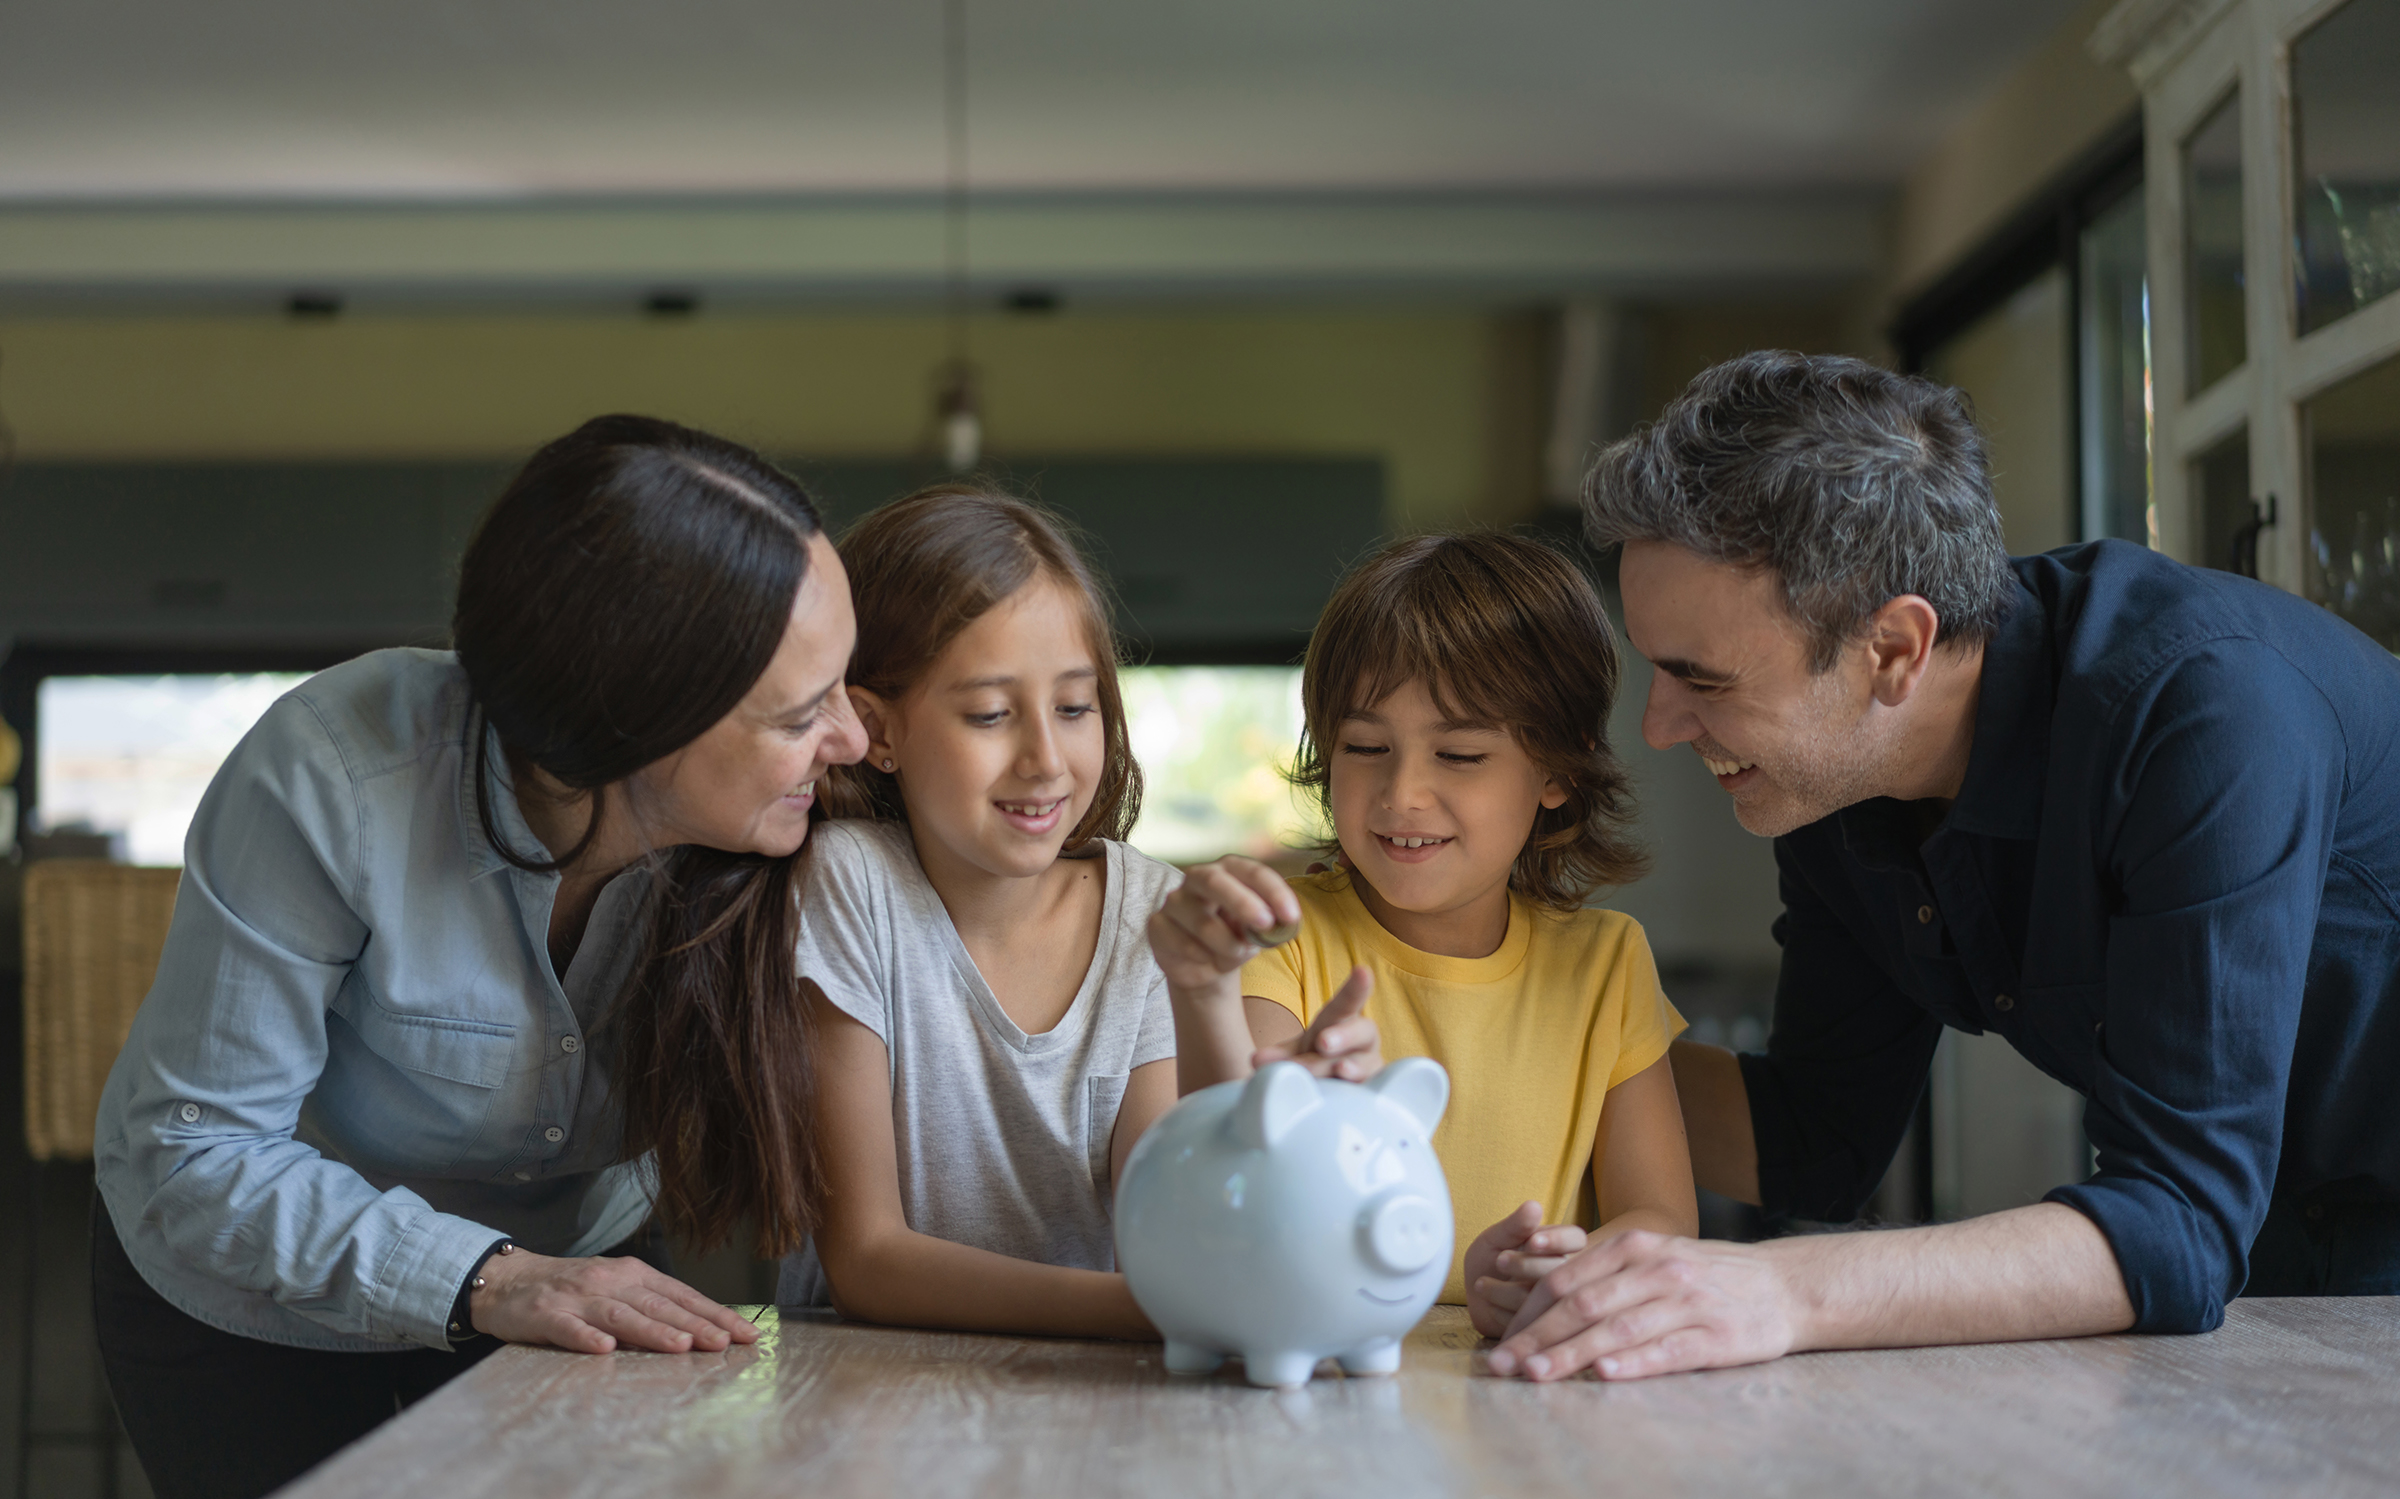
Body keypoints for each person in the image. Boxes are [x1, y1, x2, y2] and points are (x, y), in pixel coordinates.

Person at [1490, 351, 2400, 1382]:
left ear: (1893, 650)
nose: (1657, 726)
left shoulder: (2204, 712)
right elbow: (1818, 1139)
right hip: (2273, 1243)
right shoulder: (1836, 783)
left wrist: (1776, 1287)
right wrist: (1498, 1027)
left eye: (1703, 677)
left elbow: (2182, 1220)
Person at [91, 415, 870, 1499]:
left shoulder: (777, 828)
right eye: (804, 713)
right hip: (256, 1300)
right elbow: (194, 1150)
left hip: (578, 1263)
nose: (849, 737)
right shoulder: (337, 774)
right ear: (630, 727)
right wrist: (490, 1278)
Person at [784, 488, 1381, 1337]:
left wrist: (1260, 1114)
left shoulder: (1152, 909)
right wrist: (1157, 1313)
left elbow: (1165, 1215)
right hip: (867, 1402)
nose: (1046, 758)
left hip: (1086, 1405)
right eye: (990, 713)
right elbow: (868, 1262)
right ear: (879, 730)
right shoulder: (849, 885)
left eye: (1074, 707)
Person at [1151, 530, 1697, 1329]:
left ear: (1557, 770)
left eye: (1460, 754)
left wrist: (1549, 1272)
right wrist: (1287, 1091)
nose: (1401, 793)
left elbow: (1663, 1221)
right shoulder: (1283, 939)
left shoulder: (1607, 964)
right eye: (1366, 746)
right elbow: (1229, 1185)